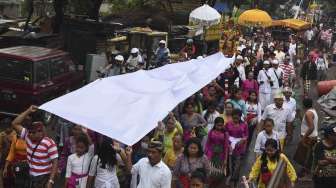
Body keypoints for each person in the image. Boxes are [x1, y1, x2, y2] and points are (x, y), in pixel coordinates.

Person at [11, 106, 58, 188]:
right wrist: (28, 110)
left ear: (40, 132)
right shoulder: (27, 136)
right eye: (29, 132)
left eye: (33, 132)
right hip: (30, 176)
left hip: (43, 178)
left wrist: (50, 181)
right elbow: (14, 123)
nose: (30, 134)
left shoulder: (50, 143)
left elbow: (55, 162)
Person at [294, 98, 318, 176]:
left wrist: (304, 138)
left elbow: (311, 127)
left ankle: (305, 173)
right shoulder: (312, 111)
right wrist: (300, 115)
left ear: (304, 105)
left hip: (308, 138)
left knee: (304, 156)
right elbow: (306, 124)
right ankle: (306, 171)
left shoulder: (308, 113)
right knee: (308, 155)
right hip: (311, 137)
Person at [204, 117, 229, 187]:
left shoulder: (225, 134)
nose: (219, 127)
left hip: (220, 155)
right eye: (218, 125)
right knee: (210, 171)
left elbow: (226, 147)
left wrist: (225, 160)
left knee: (219, 172)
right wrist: (205, 155)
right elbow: (207, 144)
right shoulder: (211, 132)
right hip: (210, 153)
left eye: (221, 125)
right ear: (215, 124)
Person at [226, 109, 248, 186]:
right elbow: (226, 134)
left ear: (240, 117)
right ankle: (230, 179)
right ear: (232, 116)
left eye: (237, 117)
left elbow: (246, 135)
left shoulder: (244, 124)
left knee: (237, 165)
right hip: (230, 146)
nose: (235, 119)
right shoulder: (228, 124)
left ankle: (235, 180)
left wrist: (242, 140)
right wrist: (229, 145)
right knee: (230, 164)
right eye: (234, 117)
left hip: (239, 146)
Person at [0, 118, 16, 188]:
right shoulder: (2, 134)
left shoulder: (15, 134)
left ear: (11, 127)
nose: (6, 129)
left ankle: (13, 184)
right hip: (4, 156)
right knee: (2, 172)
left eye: (7, 127)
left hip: (13, 157)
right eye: (4, 127)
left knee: (13, 172)